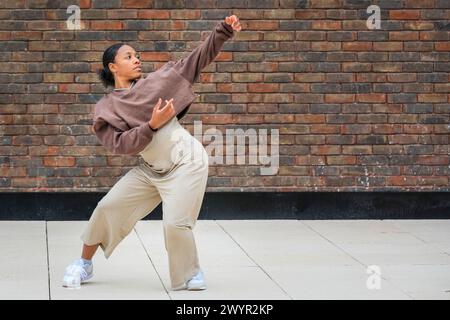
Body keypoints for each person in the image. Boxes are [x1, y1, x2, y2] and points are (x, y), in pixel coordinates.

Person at [61, 16, 241, 291]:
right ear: (112, 66)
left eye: (137, 55)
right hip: (150, 170)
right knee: (108, 207)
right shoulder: (106, 108)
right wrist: (151, 125)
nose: (136, 60)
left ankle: (190, 273)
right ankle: (83, 264)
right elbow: (119, 145)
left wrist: (224, 30)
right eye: (128, 56)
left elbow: (198, 57)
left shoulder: (161, 81)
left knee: (174, 224)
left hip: (186, 163)